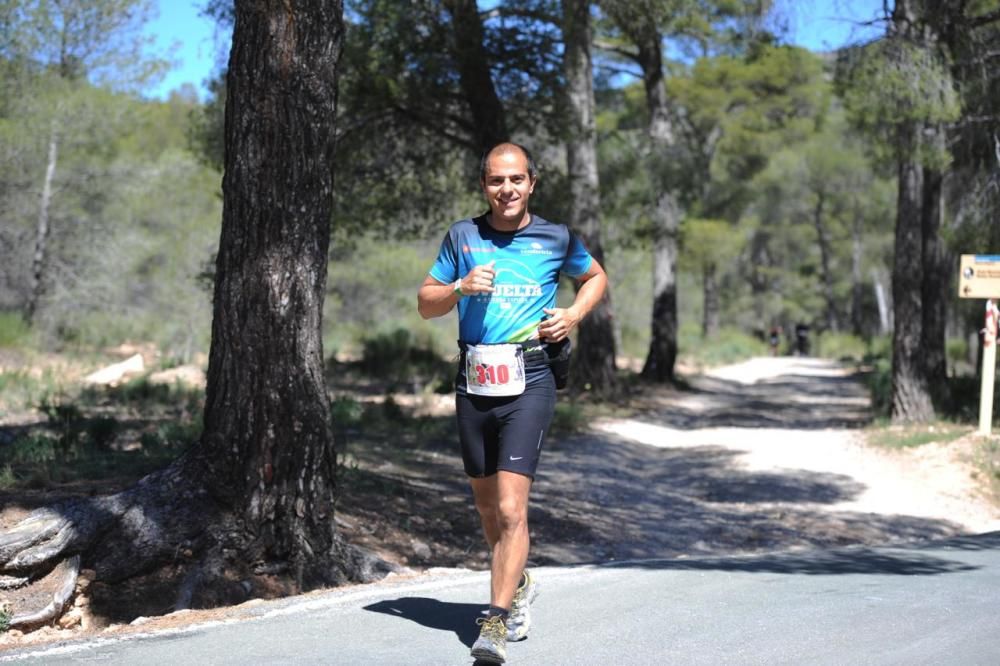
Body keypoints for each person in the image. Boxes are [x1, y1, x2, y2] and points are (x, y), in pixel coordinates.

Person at [417, 142, 607, 663]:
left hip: (531, 378)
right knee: (486, 509)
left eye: (517, 180)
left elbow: (595, 277)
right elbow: (425, 304)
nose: (508, 190)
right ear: (485, 186)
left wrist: (572, 316)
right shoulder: (463, 236)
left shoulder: (555, 236)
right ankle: (518, 581)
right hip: (474, 380)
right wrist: (458, 286)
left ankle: (494, 623)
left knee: (509, 506)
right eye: (497, 181)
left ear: (531, 183)